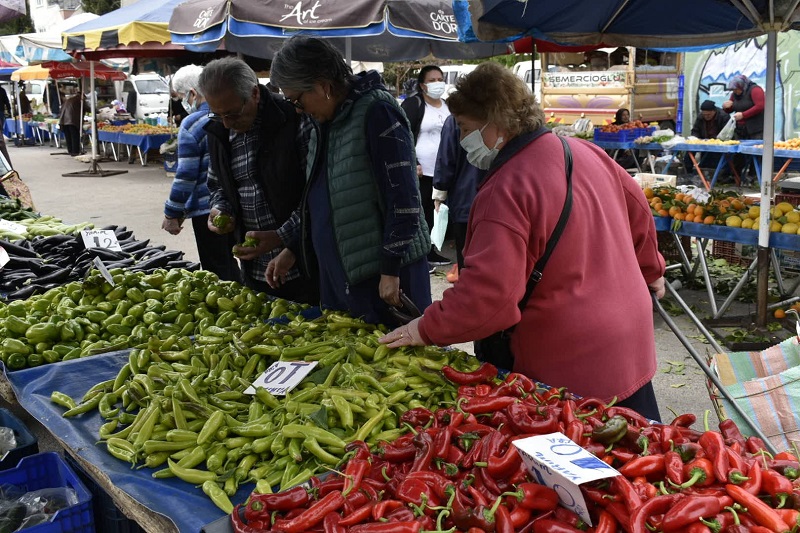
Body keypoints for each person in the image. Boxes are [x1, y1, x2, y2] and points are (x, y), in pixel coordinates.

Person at [378, 62, 666, 421]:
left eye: (466, 128)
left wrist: (424, 328)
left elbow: (488, 299)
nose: (462, 140)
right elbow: (640, 212)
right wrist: (652, 271)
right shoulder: (583, 152)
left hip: (571, 363)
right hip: (630, 342)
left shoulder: (505, 188)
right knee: (643, 455)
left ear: (495, 123)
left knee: (584, 467)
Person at [266, 35, 432, 327]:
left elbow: (404, 199)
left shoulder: (378, 111)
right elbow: (320, 196)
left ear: (322, 86)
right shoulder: (324, 120)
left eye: (297, 100)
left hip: (385, 279)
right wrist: (294, 247)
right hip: (344, 273)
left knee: (397, 365)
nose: (297, 109)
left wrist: (390, 269)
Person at [199, 56, 318, 304]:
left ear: (254, 94)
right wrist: (221, 208)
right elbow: (217, 184)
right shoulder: (219, 129)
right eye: (217, 114)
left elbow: (317, 192)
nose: (227, 123)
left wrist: (286, 238)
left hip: (305, 264)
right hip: (253, 268)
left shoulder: (294, 119)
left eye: (232, 113)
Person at [161, 64, 241, 283]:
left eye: (181, 98)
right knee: (233, 262)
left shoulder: (192, 123)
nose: (183, 103)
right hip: (237, 204)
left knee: (216, 268)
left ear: (193, 94)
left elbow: (186, 175)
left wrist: (172, 212)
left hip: (206, 211)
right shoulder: (235, 114)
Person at [401, 65, 452, 268]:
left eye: (440, 79)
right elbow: (403, 135)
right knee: (424, 212)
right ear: (422, 85)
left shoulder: (448, 106)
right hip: (423, 171)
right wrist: (413, 163)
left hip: (444, 170)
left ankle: (436, 247)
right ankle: (425, 253)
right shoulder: (414, 105)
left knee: (440, 210)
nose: (437, 83)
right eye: (432, 80)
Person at [433, 115, 484, 273]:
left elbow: (446, 158)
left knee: (466, 260)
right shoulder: (498, 115)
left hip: (464, 201)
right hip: (495, 202)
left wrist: (439, 193)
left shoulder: (456, 119)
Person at [687, 99, 730, 174]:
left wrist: (716, 140)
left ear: (714, 111)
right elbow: (695, 130)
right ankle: (688, 172)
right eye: (704, 115)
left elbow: (726, 134)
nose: (706, 117)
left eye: (708, 115)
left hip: (718, 142)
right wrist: (695, 138)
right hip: (704, 141)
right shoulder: (700, 117)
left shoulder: (723, 117)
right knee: (689, 151)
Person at [722, 74, 764, 140]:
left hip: (755, 130)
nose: (735, 91)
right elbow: (731, 109)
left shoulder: (755, 89)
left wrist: (743, 115)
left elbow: (760, 106)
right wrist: (726, 107)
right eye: (733, 90)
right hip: (740, 130)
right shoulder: (734, 94)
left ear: (742, 86)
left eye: (736, 89)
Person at [59, 90, 83, 156]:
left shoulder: (69, 100)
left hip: (63, 120)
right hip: (72, 121)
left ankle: (70, 150)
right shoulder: (80, 100)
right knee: (74, 136)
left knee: (68, 136)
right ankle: (75, 152)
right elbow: (87, 108)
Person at [0, 86, 12, 166]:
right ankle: (8, 170)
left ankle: (8, 170)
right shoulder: (2, 90)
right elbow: (6, 101)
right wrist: (9, 110)